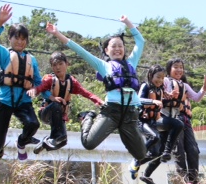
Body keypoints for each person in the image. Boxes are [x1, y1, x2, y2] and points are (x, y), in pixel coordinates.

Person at [45, 16, 147, 161]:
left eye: (120, 46)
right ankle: (87, 117)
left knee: (141, 155)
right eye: (113, 46)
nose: (117, 49)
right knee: (89, 143)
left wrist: (128, 23)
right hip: (112, 111)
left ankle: (126, 135)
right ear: (106, 50)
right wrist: (57, 33)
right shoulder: (103, 66)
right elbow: (80, 51)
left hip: (130, 114)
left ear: (124, 49)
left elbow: (141, 41)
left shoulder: (132, 62)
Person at [0, 4, 43, 173]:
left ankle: (22, 141)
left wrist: (43, 94)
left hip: (23, 102)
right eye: (16, 38)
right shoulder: (4, 54)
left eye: (23, 39)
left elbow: (39, 82)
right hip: (4, 101)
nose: (20, 42)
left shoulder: (31, 60)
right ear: (10, 39)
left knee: (33, 123)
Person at [27, 52, 103, 153]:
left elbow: (86, 93)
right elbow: (40, 87)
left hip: (60, 116)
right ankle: (53, 137)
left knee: (62, 140)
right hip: (46, 113)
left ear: (67, 64)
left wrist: (99, 101)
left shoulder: (72, 82)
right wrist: (34, 91)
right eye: (54, 65)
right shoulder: (50, 79)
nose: (58, 67)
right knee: (57, 104)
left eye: (60, 64)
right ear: (52, 67)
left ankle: (45, 142)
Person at [163, 58, 206, 184]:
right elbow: (158, 92)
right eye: (176, 67)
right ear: (169, 69)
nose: (179, 70)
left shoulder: (184, 85)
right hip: (173, 118)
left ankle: (193, 178)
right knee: (178, 149)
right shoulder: (165, 81)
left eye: (181, 67)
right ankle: (183, 179)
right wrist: (168, 93)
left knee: (193, 150)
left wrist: (205, 87)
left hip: (185, 120)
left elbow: (197, 98)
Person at [130, 65, 184, 184]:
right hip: (142, 121)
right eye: (157, 77)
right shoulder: (146, 86)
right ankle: (136, 159)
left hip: (155, 122)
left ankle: (166, 151)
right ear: (151, 75)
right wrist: (152, 102)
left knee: (177, 125)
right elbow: (138, 100)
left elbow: (161, 101)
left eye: (162, 78)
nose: (160, 80)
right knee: (155, 137)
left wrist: (168, 96)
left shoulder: (159, 90)